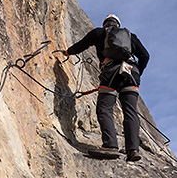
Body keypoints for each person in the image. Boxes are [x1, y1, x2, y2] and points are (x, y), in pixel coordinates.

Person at [64, 14, 150, 161]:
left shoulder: (99, 33)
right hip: (131, 73)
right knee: (130, 111)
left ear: (105, 25)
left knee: (104, 108)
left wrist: (67, 52)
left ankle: (111, 146)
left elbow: (81, 45)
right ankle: (133, 150)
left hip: (112, 72)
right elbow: (145, 56)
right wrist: (137, 73)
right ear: (118, 25)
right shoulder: (130, 36)